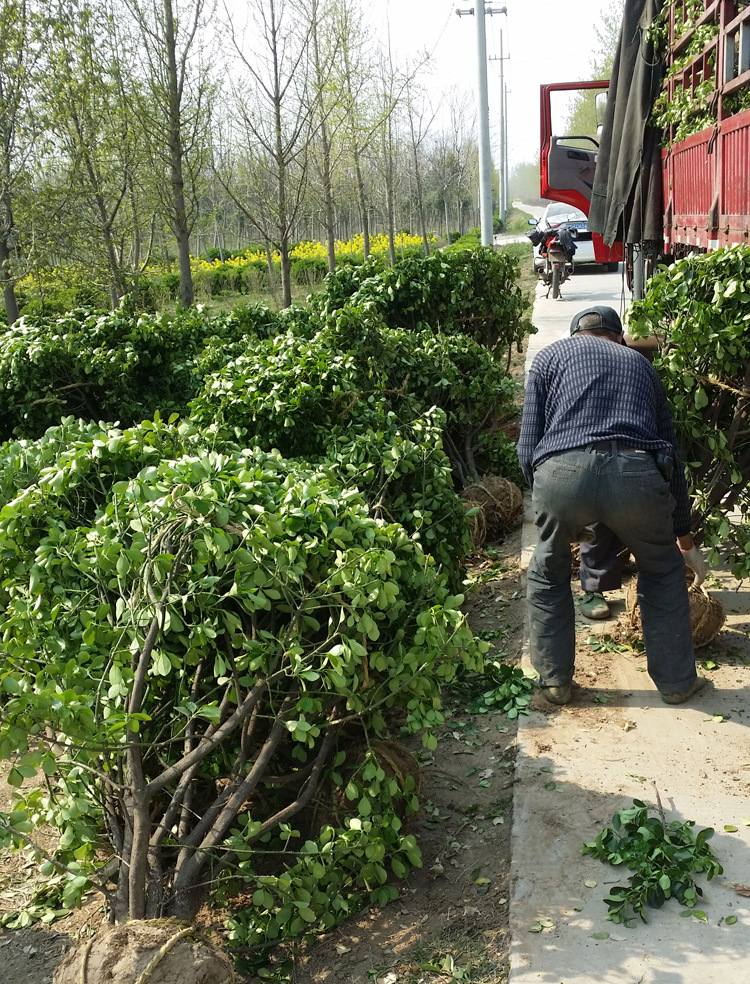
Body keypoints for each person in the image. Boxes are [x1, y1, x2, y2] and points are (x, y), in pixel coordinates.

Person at [517, 305, 708, 706]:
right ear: (619, 337)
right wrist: (682, 536)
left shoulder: (550, 357)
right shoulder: (640, 365)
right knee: (661, 572)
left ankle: (554, 682)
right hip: (637, 472)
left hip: (561, 473)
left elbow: (527, 447)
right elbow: (668, 453)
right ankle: (676, 684)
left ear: (575, 337)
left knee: (548, 573)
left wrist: (553, 507)